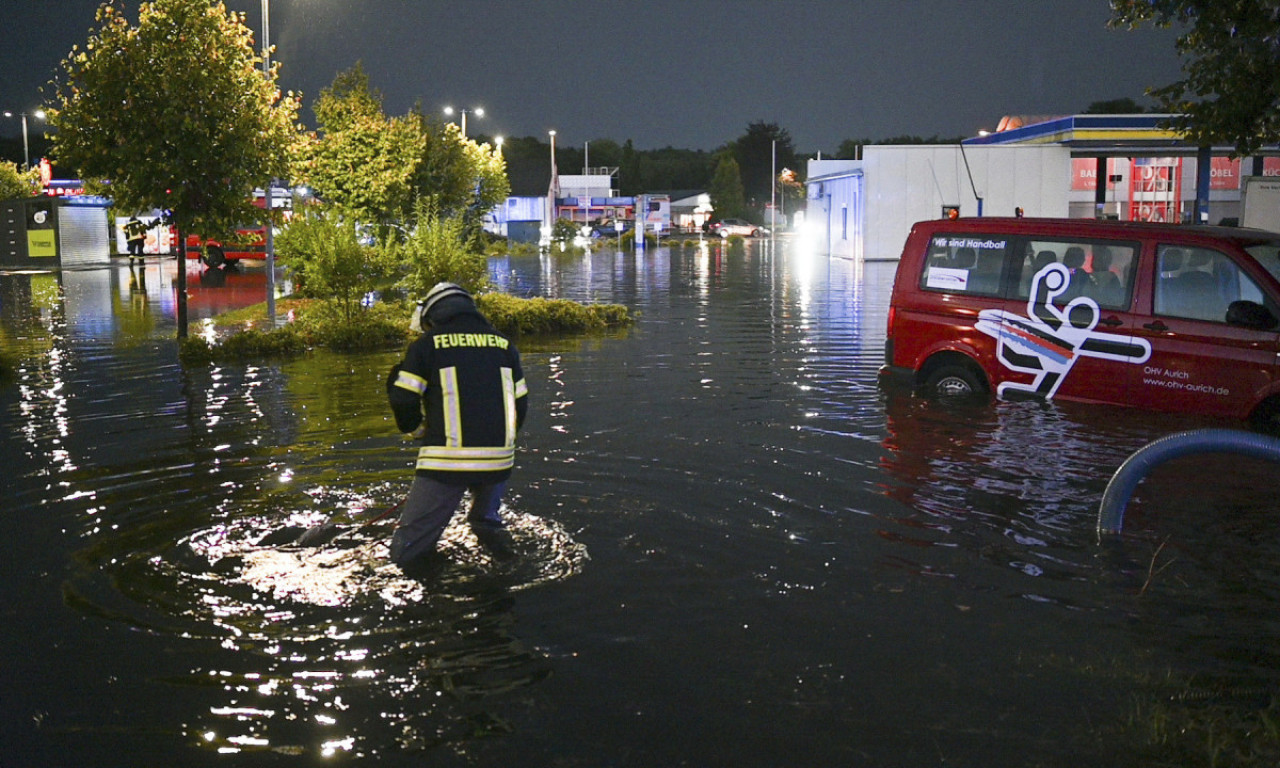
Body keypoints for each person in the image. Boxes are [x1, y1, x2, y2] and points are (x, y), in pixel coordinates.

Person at [386, 282, 529, 570]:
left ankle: (423, 592)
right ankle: (506, 566)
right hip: (499, 460)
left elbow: (403, 397)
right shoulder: (504, 345)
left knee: (408, 550)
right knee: (487, 525)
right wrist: (501, 443)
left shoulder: (428, 345)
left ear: (433, 315)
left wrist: (417, 431)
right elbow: (521, 403)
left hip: (446, 462)